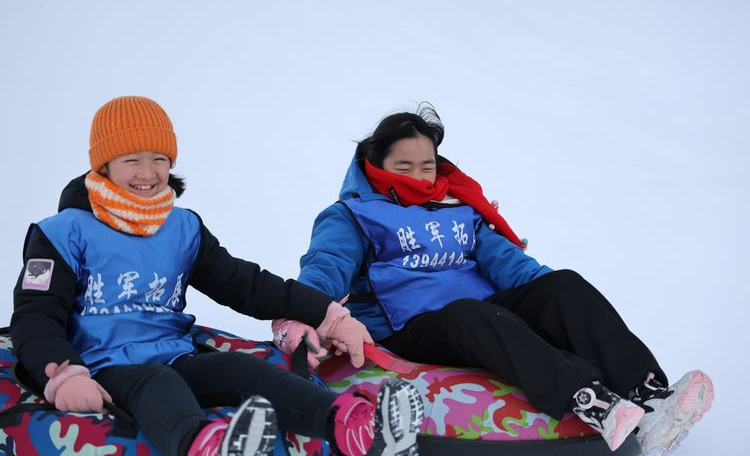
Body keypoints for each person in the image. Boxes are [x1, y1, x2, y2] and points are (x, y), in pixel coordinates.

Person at [284, 104, 713, 454]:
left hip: (481, 315)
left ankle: (649, 398)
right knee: (470, 314)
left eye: (426, 166)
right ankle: (590, 399)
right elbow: (327, 263)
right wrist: (304, 309)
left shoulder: (456, 210)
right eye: (403, 166)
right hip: (409, 328)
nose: (418, 177)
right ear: (375, 164)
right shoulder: (353, 215)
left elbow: (508, 262)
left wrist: (553, 304)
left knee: (562, 285)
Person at [10, 96, 424, 456]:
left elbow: (244, 285)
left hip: (173, 353)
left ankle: (352, 426)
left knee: (241, 371)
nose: (147, 173)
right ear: (104, 165)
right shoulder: (63, 233)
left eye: (159, 159)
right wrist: (62, 373)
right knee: (158, 384)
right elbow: (36, 314)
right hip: (103, 363)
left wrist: (326, 314)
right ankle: (204, 445)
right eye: (131, 160)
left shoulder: (182, 228)